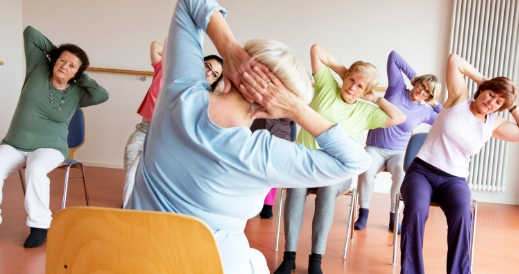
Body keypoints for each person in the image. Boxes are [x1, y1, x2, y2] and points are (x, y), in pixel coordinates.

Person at [126, 0, 372, 273]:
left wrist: (228, 48)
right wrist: (296, 109)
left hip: (134, 257)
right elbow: (355, 162)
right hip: (209, 265)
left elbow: (189, 4)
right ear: (270, 109)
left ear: (231, 70)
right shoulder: (263, 154)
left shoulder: (179, 92)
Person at [0, 26, 109, 248]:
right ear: (54, 60)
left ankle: (39, 227)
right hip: (15, 144)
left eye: (72, 66)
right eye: (62, 61)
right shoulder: (38, 68)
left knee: (35, 170)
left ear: (78, 73)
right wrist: (59, 55)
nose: (64, 66)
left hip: (50, 147)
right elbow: (30, 33)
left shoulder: (78, 93)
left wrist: (79, 74)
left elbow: (103, 95)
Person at [399, 53, 519, 274]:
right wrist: (482, 79)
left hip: (453, 181)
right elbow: (454, 60)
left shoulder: (493, 124)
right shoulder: (459, 98)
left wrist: (512, 105)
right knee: (416, 211)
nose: (491, 103)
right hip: (421, 172)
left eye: (498, 102)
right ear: (482, 90)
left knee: (462, 216)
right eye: (491, 94)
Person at [274, 44, 406, 274]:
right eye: (352, 80)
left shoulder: (366, 111)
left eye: (360, 86)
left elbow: (399, 117)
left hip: (336, 170)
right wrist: (346, 72)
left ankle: (316, 261)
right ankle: (289, 257)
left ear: (366, 92)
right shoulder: (327, 86)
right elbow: (315, 49)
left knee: (326, 192)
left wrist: (376, 98)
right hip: (304, 162)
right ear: (345, 77)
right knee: (295, 189)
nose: (353, 87)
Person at [121, 40, 223, 207]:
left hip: (170, 138)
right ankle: (131, 204)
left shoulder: (203, 96)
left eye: (215, 75)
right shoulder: (168, 70)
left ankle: (146, 204)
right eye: (207, 66)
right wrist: (185, 60)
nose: (209, 73)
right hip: (145, 129)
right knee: (131, 161)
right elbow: (155, 46)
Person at [354, 50, 442, 233]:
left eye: (427, 92)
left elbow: (446, 118)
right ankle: (363, 214)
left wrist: (434, 104)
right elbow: (394, 56)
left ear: (429, 96)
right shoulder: (397, 88)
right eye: (422, 85)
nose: (421, 91)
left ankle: (394, 218)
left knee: (401, 175)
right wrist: (413, 76)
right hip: (375, 148)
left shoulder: (425, 112)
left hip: (398, 153)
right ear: (416, 83)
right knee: (366, 169)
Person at [249, 118, 295, 219]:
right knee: (253, 169)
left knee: (272, 171)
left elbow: (290, 116)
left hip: (278, 136)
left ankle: (268, 205)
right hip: (259, 131)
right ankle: (250, 200)